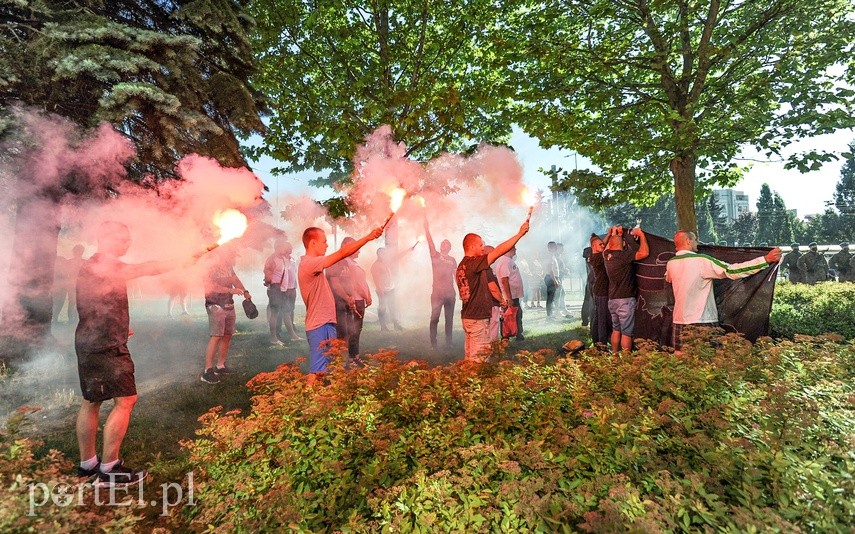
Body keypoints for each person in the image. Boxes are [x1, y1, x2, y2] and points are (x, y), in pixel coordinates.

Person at [75, 221, 199, 487]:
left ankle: (88, 464)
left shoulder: (91, 265)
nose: (127, 243)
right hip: (106, 345)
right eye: (122, 239)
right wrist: (183, 260)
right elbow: (147, 268)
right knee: (127, 399)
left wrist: (118, 326)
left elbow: (96, 305)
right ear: (106, 238)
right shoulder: (104, 264)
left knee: (91, 400)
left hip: (89, 341)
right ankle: (110, 470)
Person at [666, 230, 781, 351]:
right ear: (688, 241)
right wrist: (765, 259)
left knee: (681, 359)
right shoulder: (701, 260)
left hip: (679, 320)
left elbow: (667, 278)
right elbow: (732, 271)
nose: (697, 243)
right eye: (695, 240)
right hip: (703, 320)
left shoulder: (671, 264)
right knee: (709, 360)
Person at [299, 226, 383, 376]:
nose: (326, 245)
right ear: (312, 243)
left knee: (331, 367)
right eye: (324, 242)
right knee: (317, 372)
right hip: (318, 325)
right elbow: (342, 253)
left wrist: (348, 299)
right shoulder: (309, 263)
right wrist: (368, 237)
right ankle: (308, 396)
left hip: (326, 322)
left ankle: (328, 396)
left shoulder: (313, 264)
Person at [457, 219, 529, 361]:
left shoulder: (462, 265)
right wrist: (519, 234)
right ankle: (477, 382)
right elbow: (497, 251)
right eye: (480, 245)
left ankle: (466, 381)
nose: (483, 248)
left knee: (470, 358)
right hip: (477, 318)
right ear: (471, 247)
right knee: (480, 361)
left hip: (468, 316)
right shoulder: (473, 264)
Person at [201, 246, 249, 384]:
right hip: (215, 304)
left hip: (228, 304)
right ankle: (207, 371)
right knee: (216, 336)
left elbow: (235, 279)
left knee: (227, 335)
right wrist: (230, 290)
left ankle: (220, 366)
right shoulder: (210, 266)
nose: (233, 258)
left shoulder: (228, 266)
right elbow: (211, 286)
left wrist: (245, 291)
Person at [326, 236, 372, 364]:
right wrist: (352, 297)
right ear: (346, 246)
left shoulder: (346, 263)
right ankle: (338, 362)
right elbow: (338, 284)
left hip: (348, 302)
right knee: (342, 333)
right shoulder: (336, 261)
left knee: (350, 331)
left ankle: (348, 359)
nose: (358, 250)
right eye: (355, 247)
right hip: (339, 303)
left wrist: (351, 297)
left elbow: (351, 283)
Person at [603, 225, 649, 353]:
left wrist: (613, 234)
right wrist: (641, 235)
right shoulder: (624, 256)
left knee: (616, 329)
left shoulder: (607, 255)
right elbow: (644, 253)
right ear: (622, 244)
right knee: (626, 332)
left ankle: (615, 355)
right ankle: (626, 360)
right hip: (625, 300)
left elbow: (606, 246)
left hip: (612, 300)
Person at [424, 217, 457, 348]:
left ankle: (449, 342)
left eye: (446, 243)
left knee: (449, 319)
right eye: (442, 242)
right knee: (435, 317)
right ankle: (434, 343)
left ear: (449, 247)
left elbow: (457, 275)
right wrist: (426, 229)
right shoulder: (435, 255)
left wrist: (462, 291)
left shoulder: (453, 260)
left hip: (450, 293)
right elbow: (430, 243)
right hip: (437, 293)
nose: (444, 243)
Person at [263, 238, 301, 345]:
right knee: (274, 313)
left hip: (284, 289)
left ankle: (293, 336)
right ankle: (273, 338)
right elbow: (268, 277)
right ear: (278, 247)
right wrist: (269, 281)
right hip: (276, 289)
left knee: (287, 312)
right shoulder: (272, 259)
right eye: (284, 246)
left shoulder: (285, 259)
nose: (286, 249)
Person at [370, 247, 408, 331]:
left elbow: (397, 257)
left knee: (393, 307)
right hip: (382, 290)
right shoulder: (376, 266)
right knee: (382, 308)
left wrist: (408, 250)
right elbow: (376, 280)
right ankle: (383, 327)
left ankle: (396, 325)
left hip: (390, 289)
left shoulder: (386, 262)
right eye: (384, 253)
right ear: (379, 254)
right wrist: (380, 291)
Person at [495, 246, 525, 340]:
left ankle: (518, 334)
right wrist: (509, 298)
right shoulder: (505, 261)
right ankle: (506, 336)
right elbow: (504, 280)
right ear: (509, 250)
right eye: (514, 249)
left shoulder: (508, 261)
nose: (516, 250)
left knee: (516, 314)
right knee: (507, 316)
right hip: (510, 296)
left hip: (513, 295)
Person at [587, 234, 612, 345]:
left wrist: (609, 234)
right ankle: (602, 343)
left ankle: (595, 339)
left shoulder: (595, 254)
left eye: (603, 243)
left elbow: (601, 244)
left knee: (598, 317)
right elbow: (604, 248)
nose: (603, 245)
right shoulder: (598, 257)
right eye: (600, 244)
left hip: (598, 290)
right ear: (593, 246)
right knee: (602, 319)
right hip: (602, 291)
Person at [53, 244, 86, 324]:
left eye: (78, 251)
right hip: (71, 284)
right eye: (76, 251)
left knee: (73, 302)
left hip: (75, 285)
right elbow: (63, 273)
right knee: (70, 302)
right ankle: (70, 319)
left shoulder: (76, 262)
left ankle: (71, 319)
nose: (77, 253)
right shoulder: (79, 262)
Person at [544, 242, 560, 318]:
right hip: (550, 278)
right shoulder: (549, 256)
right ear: (550, 247)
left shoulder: (553, 256)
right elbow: (550, 270)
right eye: (554, 247)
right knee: (550, 297)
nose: (556, 248)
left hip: (553, 278)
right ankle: (549, 315)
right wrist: (555, 280)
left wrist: (557, 278)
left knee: (552, 297)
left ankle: (551, 314)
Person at [580, 246, 593, 327]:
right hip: (592, 283)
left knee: (587, 301)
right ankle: (587, 320)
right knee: (589, 302)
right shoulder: (591, 259)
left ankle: (585, 321)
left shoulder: (588, 259)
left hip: (589, 282)